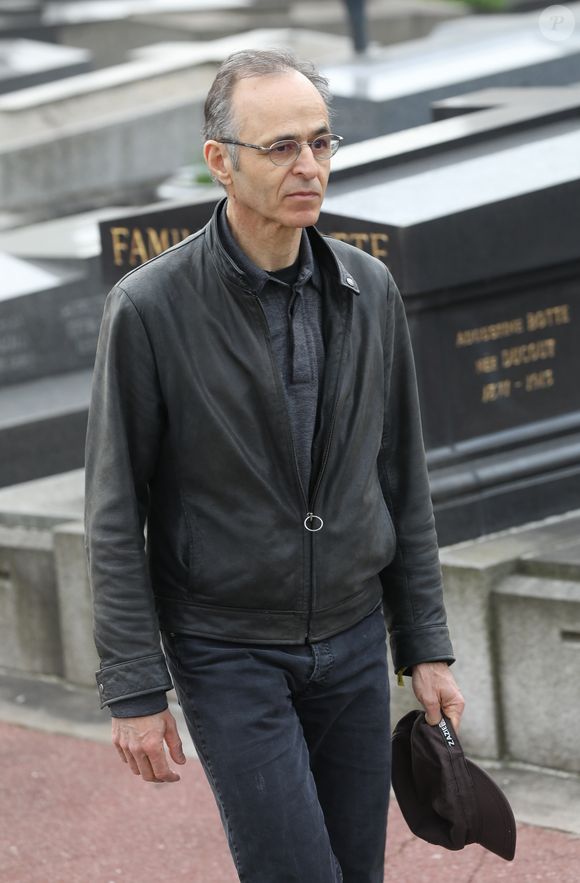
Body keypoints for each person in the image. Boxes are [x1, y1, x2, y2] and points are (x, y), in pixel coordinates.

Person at [84, 49, 464, 883]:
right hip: (227, 646)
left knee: (357, 871)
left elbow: (403, 476)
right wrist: (135, 687)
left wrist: (424, 644)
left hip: (356, 639)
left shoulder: (369, 288)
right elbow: (114, 511)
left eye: (322, 143)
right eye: (282, 146)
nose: (310, 166)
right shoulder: (148, 309)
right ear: (221, 160)